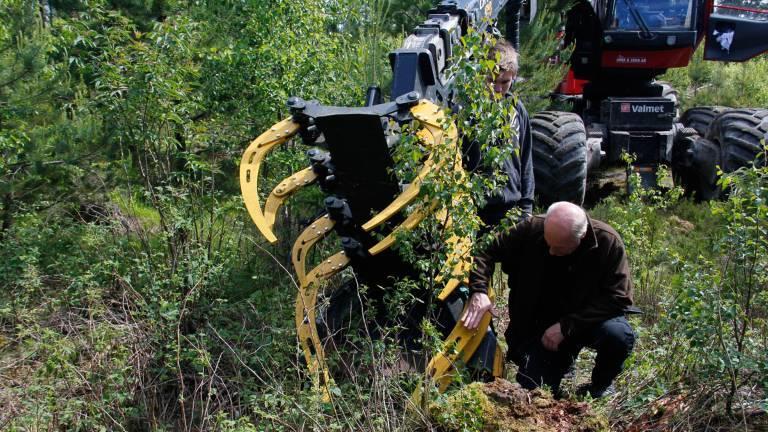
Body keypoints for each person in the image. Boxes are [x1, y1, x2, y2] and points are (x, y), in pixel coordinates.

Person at [461, 201, 638, 398]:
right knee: (533, 391)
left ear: (581, 237)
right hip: (543, 327)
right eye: (548, 243)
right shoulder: (531, 228)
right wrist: (479, 290)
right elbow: (485, 250)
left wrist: (567, 326)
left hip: (588, 321)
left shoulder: (607, 242)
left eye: (560, 248)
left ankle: (600, 386)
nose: (552, 251)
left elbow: (620, 298)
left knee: (618, 335)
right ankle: (560, 364)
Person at [462, 39, 534, 226]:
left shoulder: (516, 109)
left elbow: (526, 162)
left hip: (512, 212)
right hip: (475, 215)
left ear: (514, 77)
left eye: (505, 82)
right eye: (491, 80)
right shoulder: (465, 112)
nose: (497, 89)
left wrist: (526, 210)